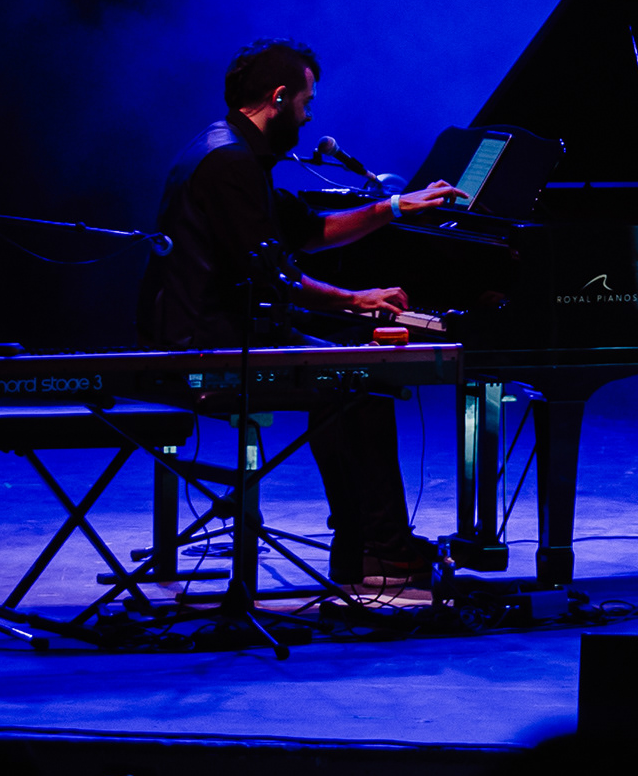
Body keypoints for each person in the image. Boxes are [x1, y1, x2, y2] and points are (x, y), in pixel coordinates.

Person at [141, 38, 467, 584]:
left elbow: (308, 230)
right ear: (279, 98)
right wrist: (355, 299)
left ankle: (364, 543)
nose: (309, 115)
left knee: (349, 372)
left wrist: (394, 206)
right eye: (305, 102)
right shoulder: (229, 162)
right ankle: (380, 548)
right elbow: (271, 276)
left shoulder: (229, 148)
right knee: (358, 380)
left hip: (214, 332)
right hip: (204, 346)